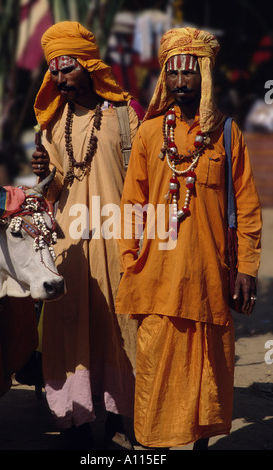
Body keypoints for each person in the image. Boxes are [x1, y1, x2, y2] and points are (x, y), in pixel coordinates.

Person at [115, 27, 262, 450]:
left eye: (190, 73)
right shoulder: (149, 134)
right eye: (173, 74)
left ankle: (199, 444)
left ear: (205, 75)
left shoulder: (227, 135)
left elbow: (248, 208)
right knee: (156, 366)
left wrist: (248, 268)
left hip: (210, 279)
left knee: (207, 374)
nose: (181, 83)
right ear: (164, 77)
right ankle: (155, 448)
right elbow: (131, 209)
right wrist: (131, 264)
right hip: (157, 279)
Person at [30, 21, 144, 449]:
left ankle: (120, 419)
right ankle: (74, 421)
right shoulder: (51, 123)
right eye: (54, 73)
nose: (60, 80)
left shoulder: (126, 116)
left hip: (119, 245)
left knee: (120, 331)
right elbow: (55, 193)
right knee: (67, 332)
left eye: (67, 70)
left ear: (90, 67)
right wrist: (44, 176)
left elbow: (145, 182)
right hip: (70, 249)